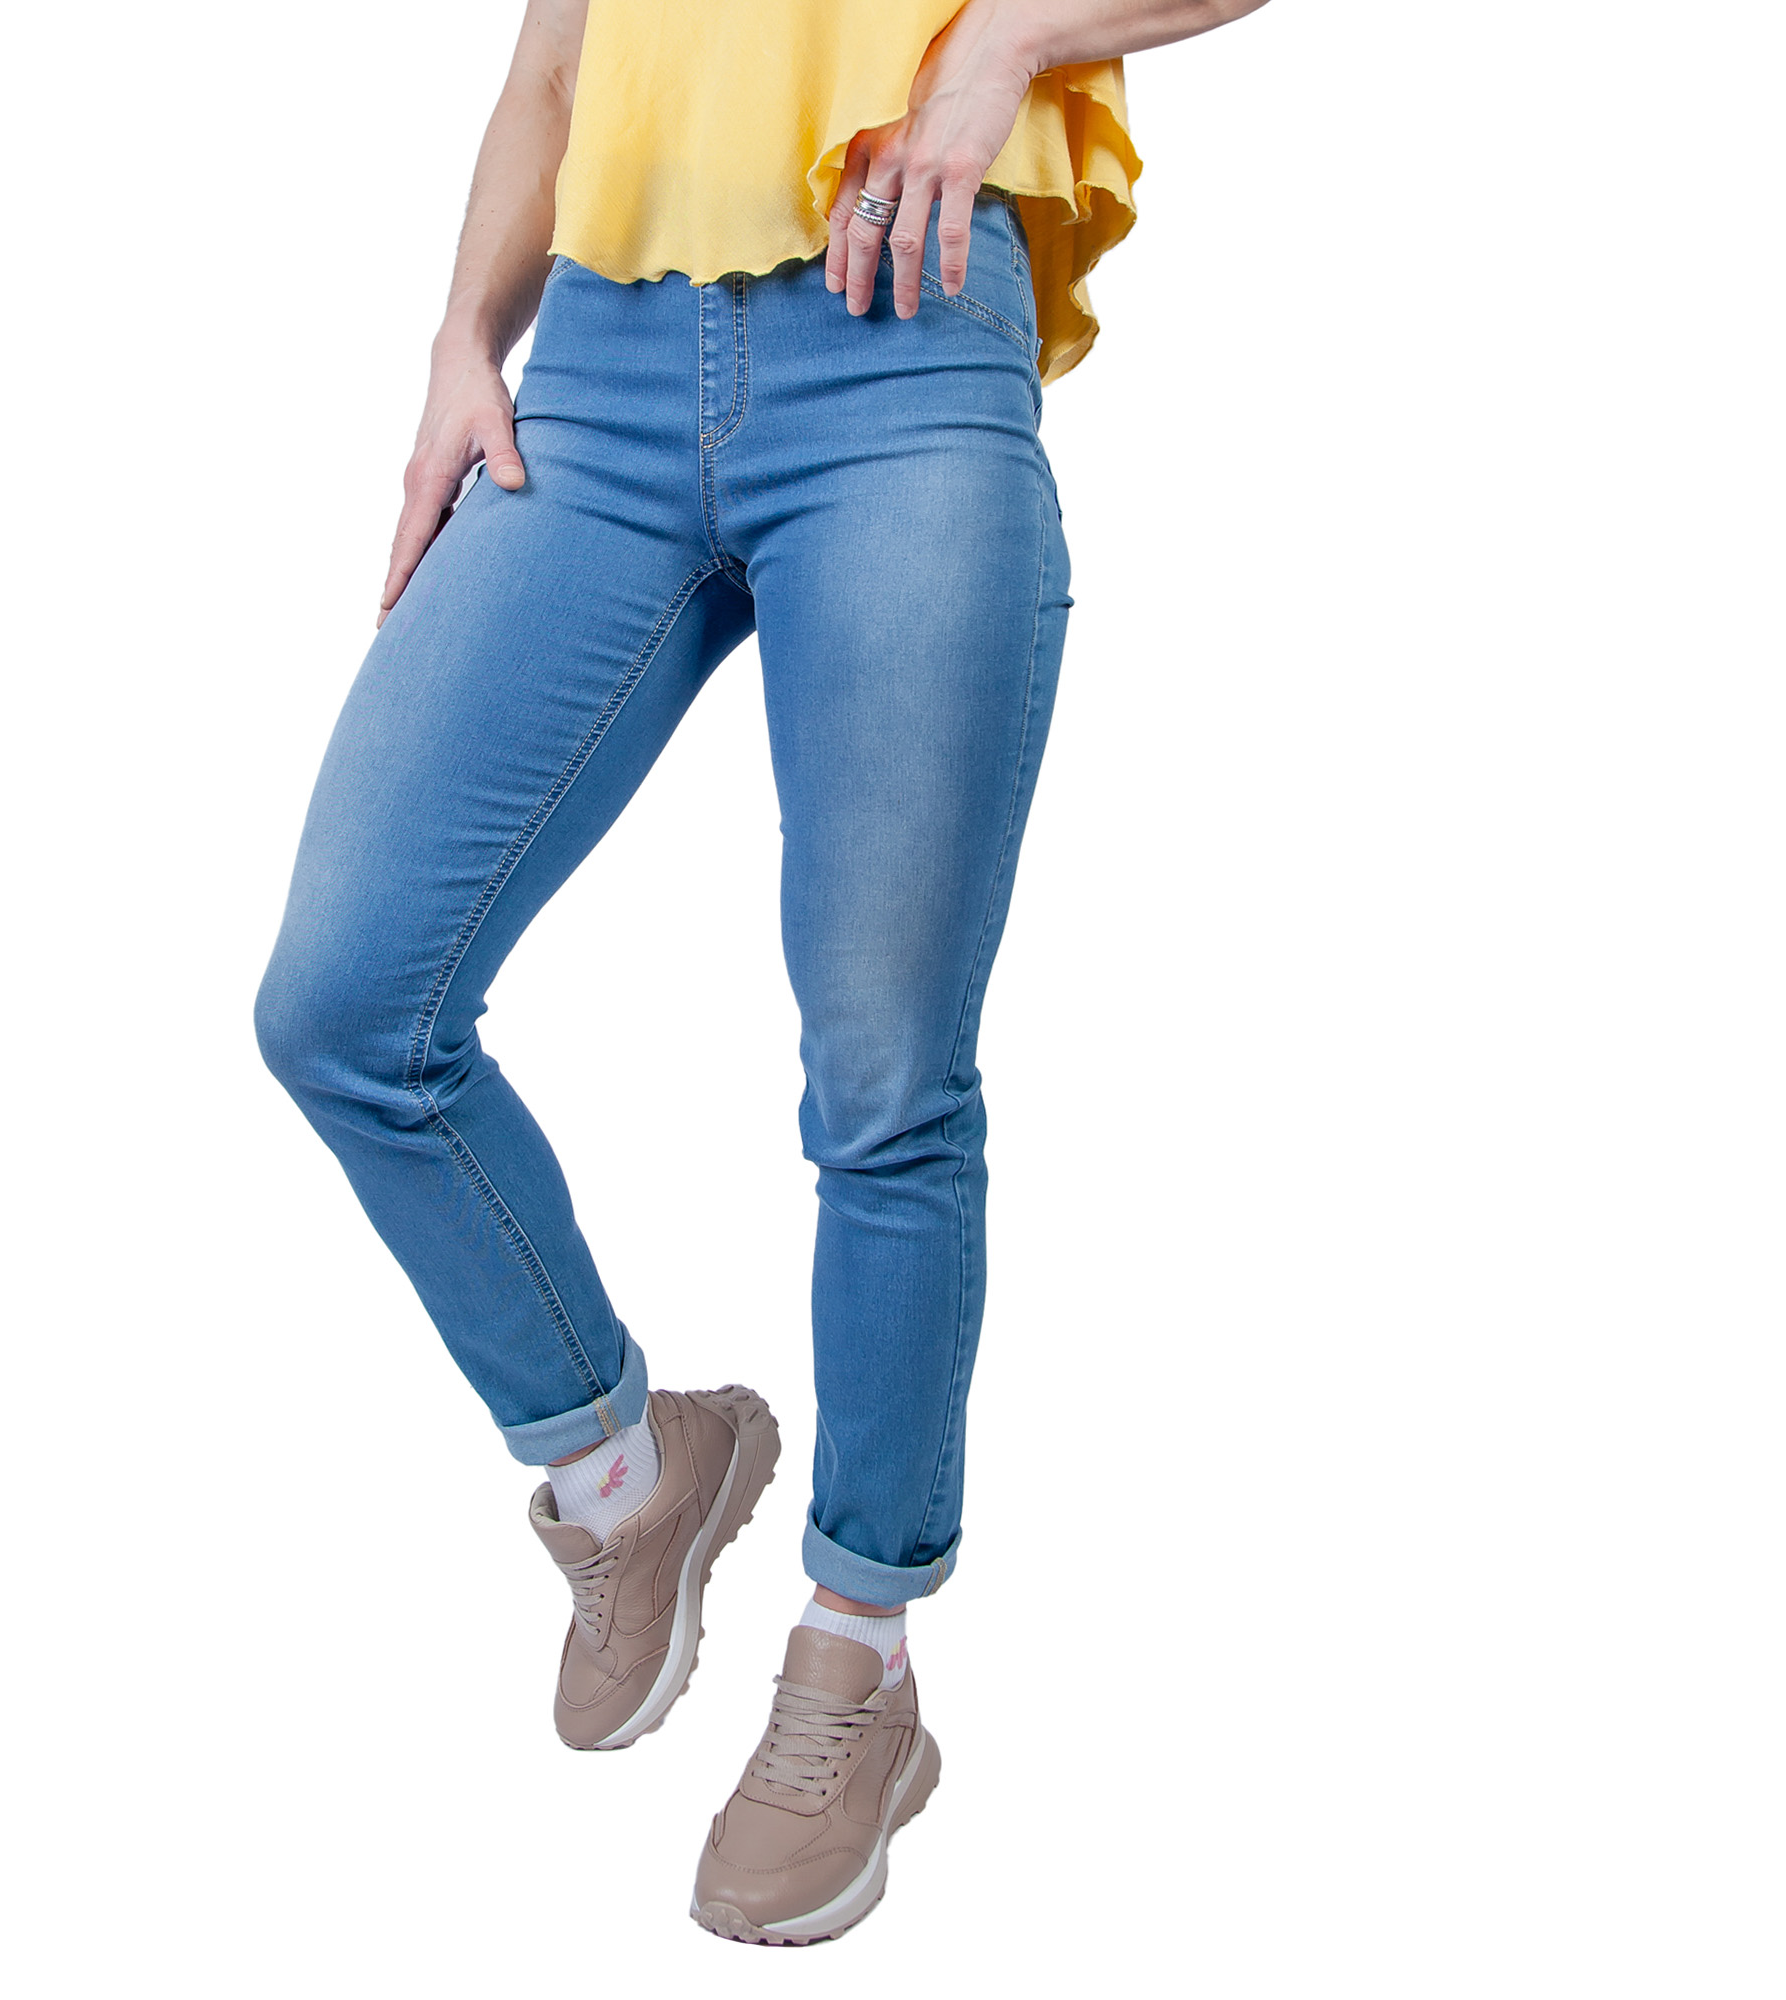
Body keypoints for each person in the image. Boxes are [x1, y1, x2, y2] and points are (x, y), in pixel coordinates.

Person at [256, 0, 1268, 1944]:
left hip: (902, 337)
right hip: (601, 370)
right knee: (346, 1001)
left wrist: (1007, 47)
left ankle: (858, 1648)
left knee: (882, 1074)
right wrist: (465, 338)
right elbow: (559, 63)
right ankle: (627, 1471)